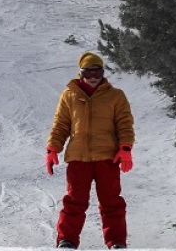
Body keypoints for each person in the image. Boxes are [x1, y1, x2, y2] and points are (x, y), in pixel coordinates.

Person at [45, 52, 135, 250]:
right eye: (88, 73)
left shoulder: (115, 95)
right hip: (78, 158)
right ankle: (67, 241)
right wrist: (52, 148)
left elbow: (125, 124)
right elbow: (61, 125)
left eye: (97, 72)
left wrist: (125, 147)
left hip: (107, 158)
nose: (93, 77)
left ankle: (116, 242)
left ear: (103, 73)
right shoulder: (69, 95)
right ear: (81, 73)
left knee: (111, 202)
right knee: (74, 201)